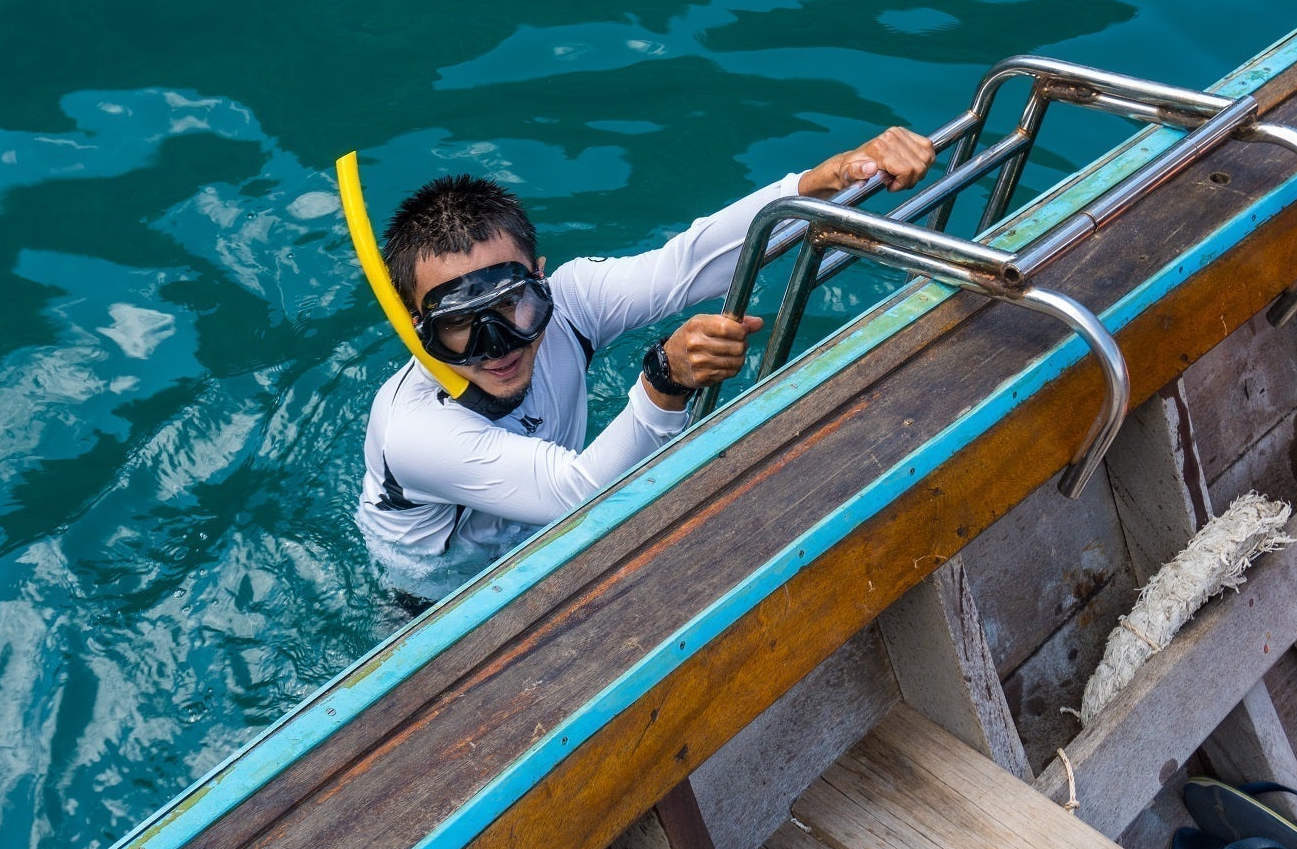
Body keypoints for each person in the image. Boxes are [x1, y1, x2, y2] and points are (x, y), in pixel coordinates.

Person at [355, 127, 935, 590]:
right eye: (458, 323)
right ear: (416, 327)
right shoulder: (415, 431)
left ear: (542, 278)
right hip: (436, 597)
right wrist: (664, 381)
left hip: (540, 536)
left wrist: (821, 182)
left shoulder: (574, 299)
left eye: (513, 305)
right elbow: (579, 498)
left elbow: (683, 266)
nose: (497, 346)